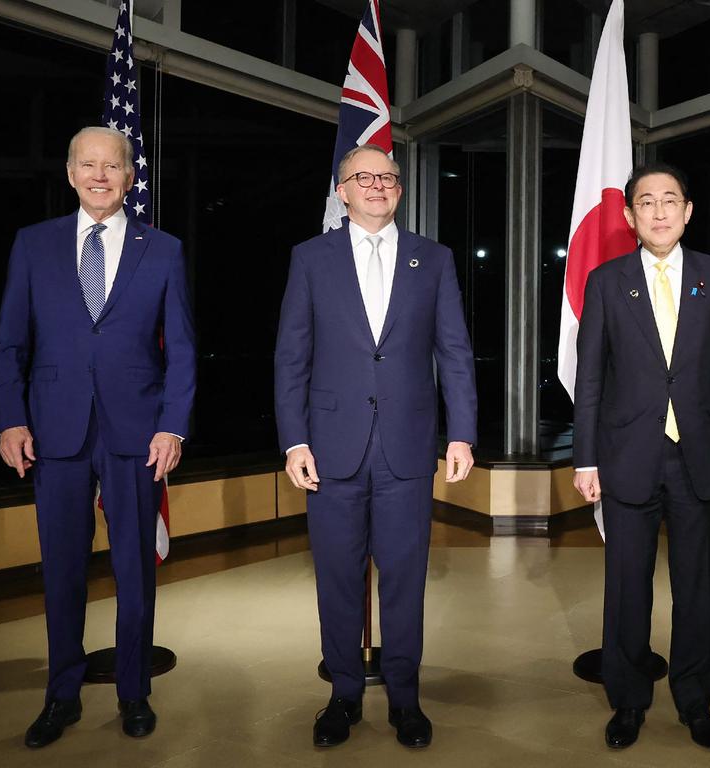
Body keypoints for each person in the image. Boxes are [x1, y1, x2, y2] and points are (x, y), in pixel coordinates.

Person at [0, 126, 196, 747]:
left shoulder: (163, 250)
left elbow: (183, 351)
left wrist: (172, 425)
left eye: (112, 166)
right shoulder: (34, 245)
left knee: (134, 569)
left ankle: (134, 692)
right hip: (54, 431)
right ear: (71, 172)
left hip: (138, 433)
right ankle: (62, 695)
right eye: (88, 165)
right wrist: (10, 418)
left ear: (130, 177)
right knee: (62, 572)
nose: (100, 176)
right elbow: (9, 345)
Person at [274, 143, 477, 749]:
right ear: (342, 190)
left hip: (408, 449)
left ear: (400, 189)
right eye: (363, 177)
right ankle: (342, 695)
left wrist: (461, 432)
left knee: (405, 578)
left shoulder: (433, 260)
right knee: (336, 577)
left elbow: (455, 353)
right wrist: (294, 440)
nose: (378, 185)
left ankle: (406, 701)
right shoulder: (310, 259)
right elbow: (291, 357)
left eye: (388, 177)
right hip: (330, 449)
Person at [572, 163, 710, 750]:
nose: (658, 211)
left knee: (697, 587)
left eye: (669, 200)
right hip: (627, 457)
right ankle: (627, 701)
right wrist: (585, 460)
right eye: (645, 202)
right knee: (627, 587)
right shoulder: (606, 281)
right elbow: (591, 381)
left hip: (699, 457)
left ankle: (696, 701)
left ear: (688, 210)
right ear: (629, 217)